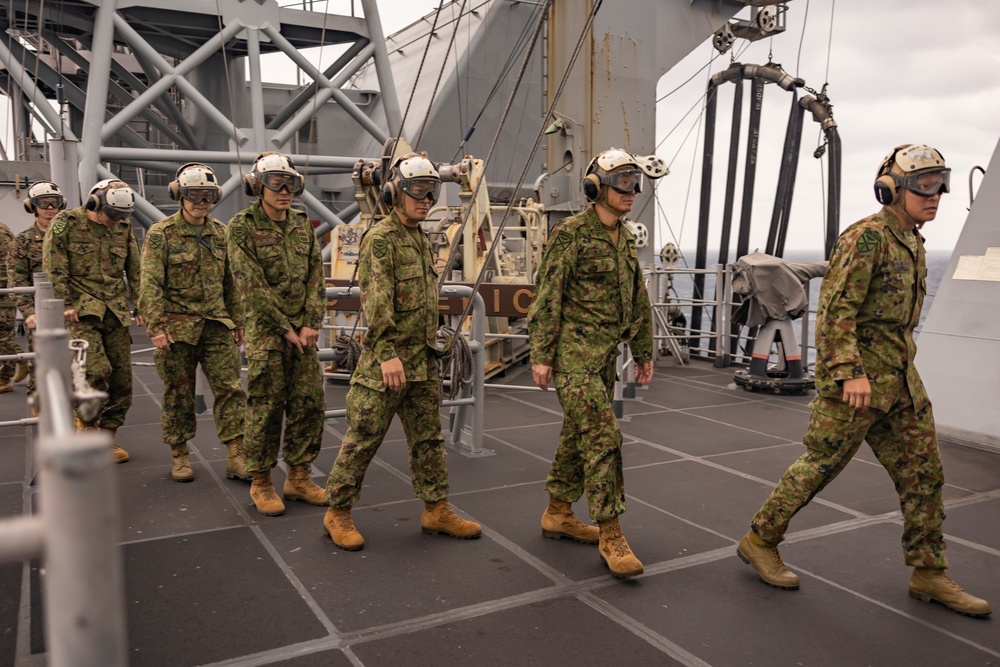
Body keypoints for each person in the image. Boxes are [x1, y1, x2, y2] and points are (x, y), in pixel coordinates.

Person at [737, 144, 991, 618]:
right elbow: (836, 312)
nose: (937, 195)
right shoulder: (867, 239)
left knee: (925, 476)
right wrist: (849, 372)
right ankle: (759, 539)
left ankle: (928, 570)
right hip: (857, 385)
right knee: (819, 467)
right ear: (892, 189)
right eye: (926, 185)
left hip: (900, 382)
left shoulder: (912, 240)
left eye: (942, 183)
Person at [323, 153, 481, 550]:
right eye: (418, 191)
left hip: (423, 360)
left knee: (428, 439)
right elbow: (376, 302)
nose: (427, 198)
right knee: (363, 438)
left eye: (432, 191)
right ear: (395, 192)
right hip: (387, 363)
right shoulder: (380, 238)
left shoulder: (418, 237)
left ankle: (435, 508)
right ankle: (337, 512)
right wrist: (389, 352)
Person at [528, 148, 660, 578]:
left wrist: (643, 351)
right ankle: (611, 532)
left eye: (634, 182)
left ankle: (558, 512)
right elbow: (548, 296)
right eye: (622, 181)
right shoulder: (571, 234)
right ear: (595, 187)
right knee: (604, 438)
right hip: (573, 358)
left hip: (605, 358)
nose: (632, 190)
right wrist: (542, 355)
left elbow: (637, 298)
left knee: (575, 437)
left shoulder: (623, 236)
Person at [227, 151, 327, 516]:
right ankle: (262, 481)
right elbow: (249, 284)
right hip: (267, 334)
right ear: (258, 186)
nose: (285, 191)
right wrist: (285, 328)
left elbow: (317, 275)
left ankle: (298, 476)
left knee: (309, 404)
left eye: (291, 184)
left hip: (304, 332)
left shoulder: (302, 225)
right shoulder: (241, 227)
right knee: (265, 409)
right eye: (276, 184)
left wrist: (311, 322)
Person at [139, 163, 250, 483]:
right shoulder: (161, 234)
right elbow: (150, 283)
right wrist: (157, 326)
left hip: (216, 325)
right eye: (194, 194)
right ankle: (180, 454)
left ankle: (236, 454)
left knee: (230, 389)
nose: (202, 201)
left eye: (209, 195)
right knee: (178, 393)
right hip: (176, 330)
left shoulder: (221, 232)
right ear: (180, 195)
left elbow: (231, 281)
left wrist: (237, 320)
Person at [42, 178, 143, 462]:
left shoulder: (122, 227)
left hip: (115, 311)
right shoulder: (66, 223)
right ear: (94, 203)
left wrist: (141, 305)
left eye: (122, 215)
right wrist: (66, 303)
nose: (116, 220)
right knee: (95, 372)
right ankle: (86, 425)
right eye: (112, 214)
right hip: (81, 312)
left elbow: (135, 269)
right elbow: (54, 265)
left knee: (122, 379)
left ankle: (109, 434)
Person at [9, 181, 67, 408]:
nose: (50, 207)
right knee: (41, 365)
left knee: (78, 365)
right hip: (42, 314)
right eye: (43, 203)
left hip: (72, 310)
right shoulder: (22, 242)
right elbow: (17, 281)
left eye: (55, 202)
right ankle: (40, 413)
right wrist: (29, 313)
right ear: (32, 206)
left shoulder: (71, 236)